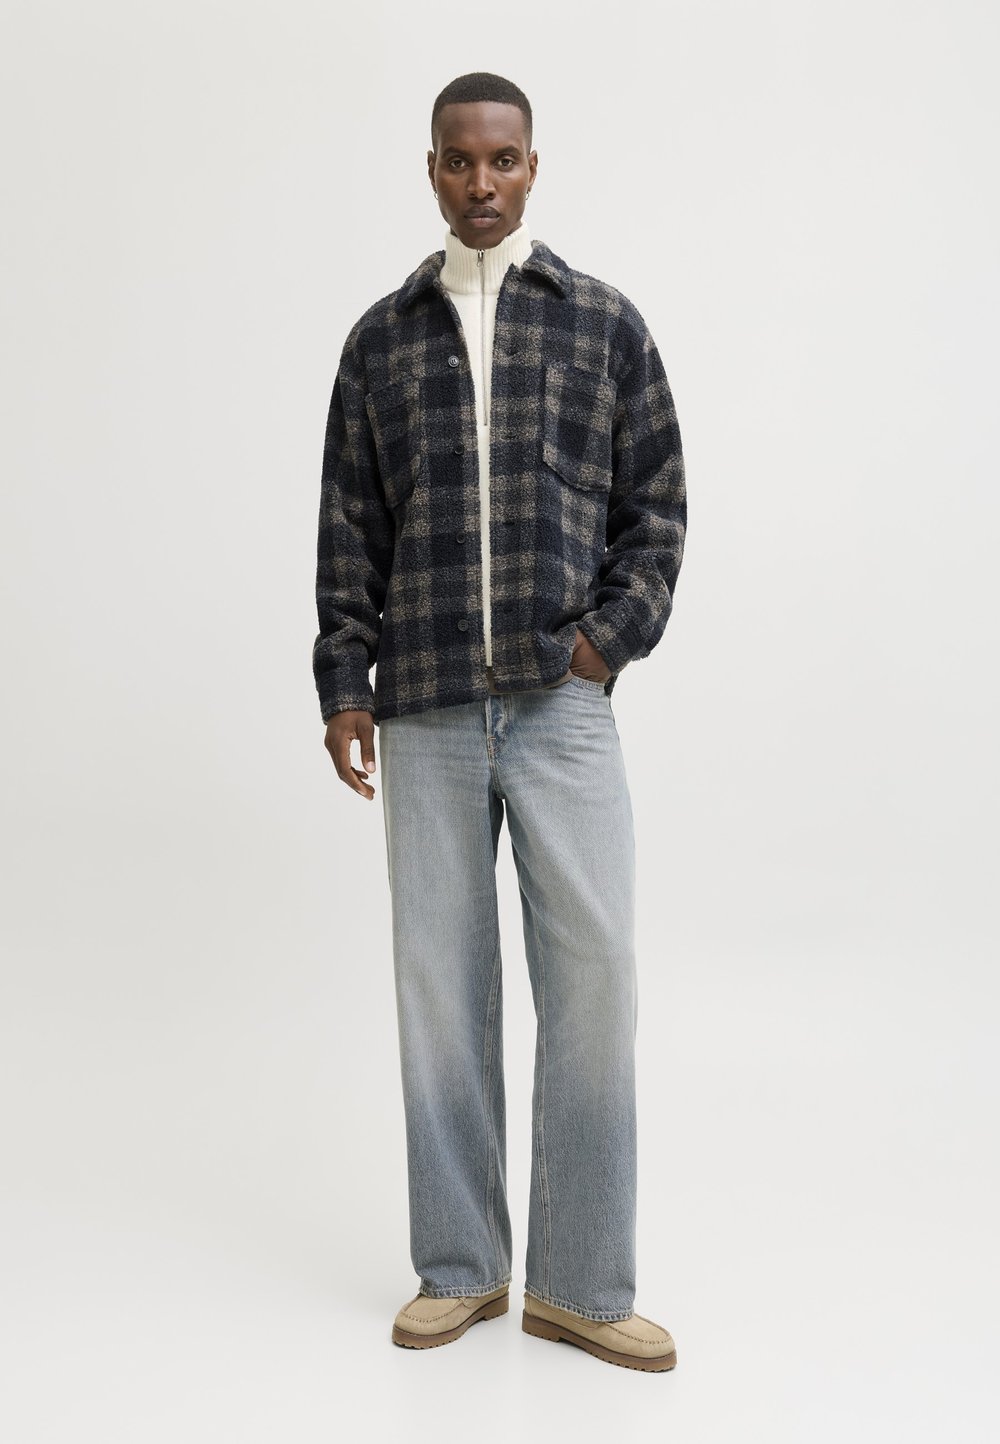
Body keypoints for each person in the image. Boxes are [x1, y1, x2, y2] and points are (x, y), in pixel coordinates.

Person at [312, 71, 686, 1373]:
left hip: (559, 705)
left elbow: (658, 507)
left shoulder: (601, 323)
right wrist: (344, 684)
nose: (482, 181)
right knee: (440, 985)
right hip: (420, 705)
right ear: (431, 169)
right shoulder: (381, 342)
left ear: (534, 166)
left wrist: (603, 642)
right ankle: (462, 1270)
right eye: (460, 160)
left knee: (596, 976)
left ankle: (579, 1281)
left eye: (504, 159)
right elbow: (349, 525)